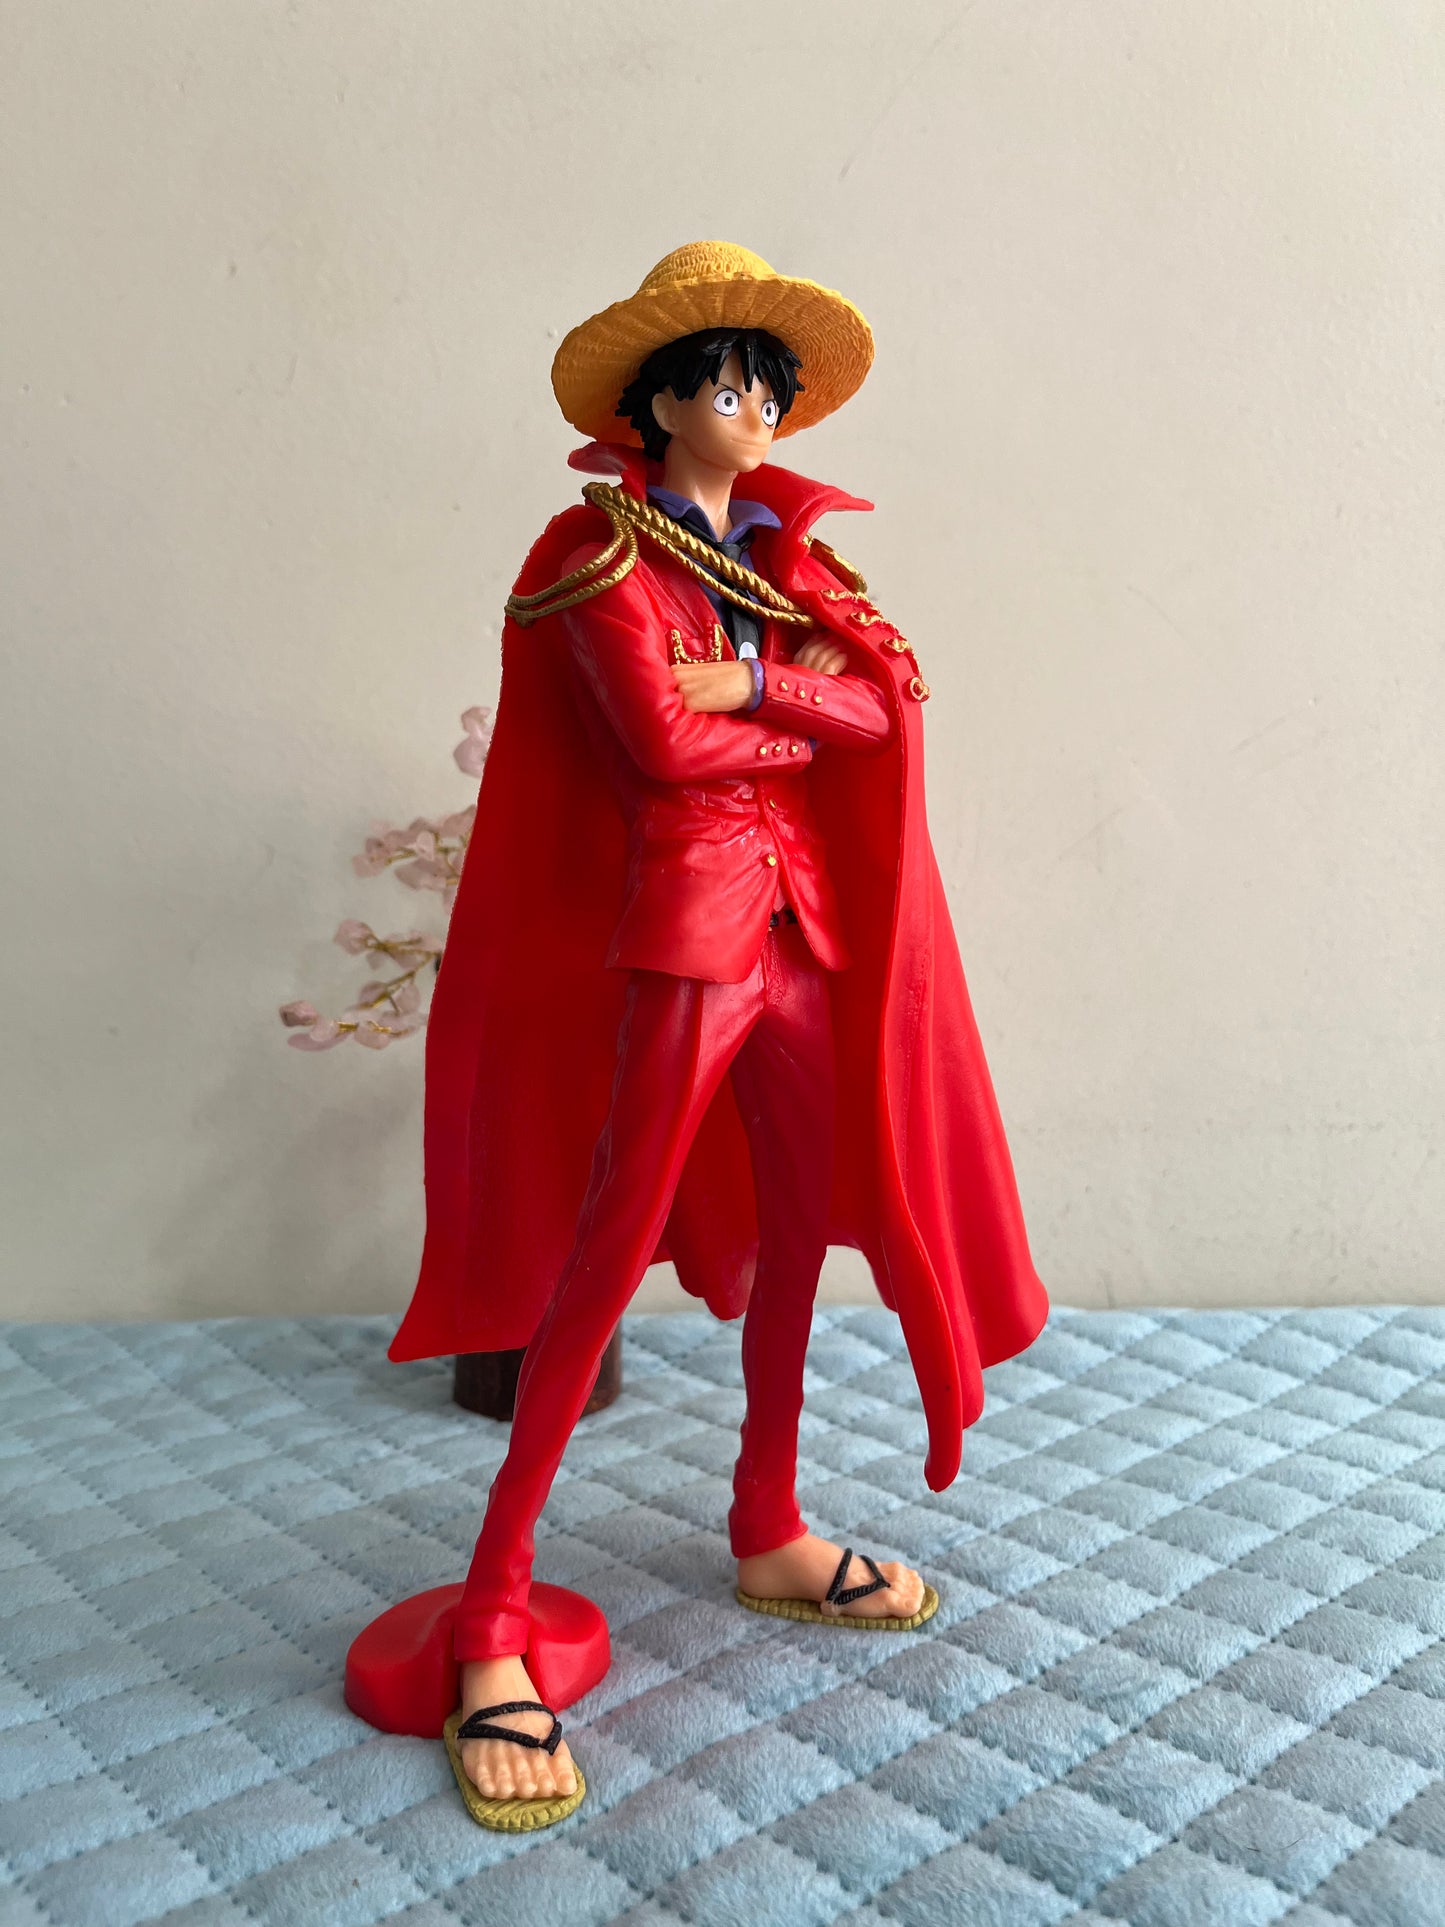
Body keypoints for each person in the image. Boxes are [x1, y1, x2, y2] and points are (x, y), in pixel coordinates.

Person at [389, 243, 1050, 1826]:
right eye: (725, 384)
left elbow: (876, 710)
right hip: (688, 937)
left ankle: (767, 1521)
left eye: (768, 387)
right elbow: (660, 749)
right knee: (604, 1251)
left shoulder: (787, 564)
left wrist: (754, 682)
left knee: (805, 1225)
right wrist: (778, 702)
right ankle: (493, 1610)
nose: (754, 410)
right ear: (659, 403)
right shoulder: (594, 555)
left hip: (803, 937)